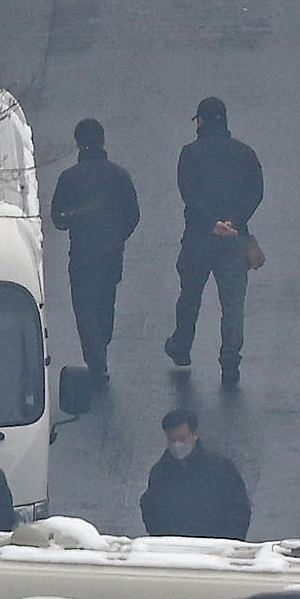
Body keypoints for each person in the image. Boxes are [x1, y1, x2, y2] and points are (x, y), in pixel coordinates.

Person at [164, 96, 263, 386]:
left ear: (201, 121)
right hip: (235, 238)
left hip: (198, 237)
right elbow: (256, 191)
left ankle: (182, 346)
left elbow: (189, 193)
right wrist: (234, 220)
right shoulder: (245, 154)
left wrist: (212, 223)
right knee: (233, 304)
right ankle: (230, 361)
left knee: (190, 295)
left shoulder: (190, 154)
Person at [48, 117, 139, 388]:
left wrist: (74, 220)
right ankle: (101, 346)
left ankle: (96, 360)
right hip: (111, 252)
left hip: (82, 253)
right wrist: (117, 236)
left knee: (85, 307)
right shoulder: (119, 175)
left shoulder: (69, 178)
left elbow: (58, 219)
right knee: (105, 303)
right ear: (102, 140)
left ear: (78, 143)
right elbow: (133, 215)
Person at [139, 409, 251, 540]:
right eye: (172, 440)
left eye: (182, 439)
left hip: (215, 550)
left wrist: (230, 542)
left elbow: (239, 510)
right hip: (174, 551)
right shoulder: (160, 473)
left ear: (195, 434)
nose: (177, 445)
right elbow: (152, 510)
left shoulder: (221, 469)